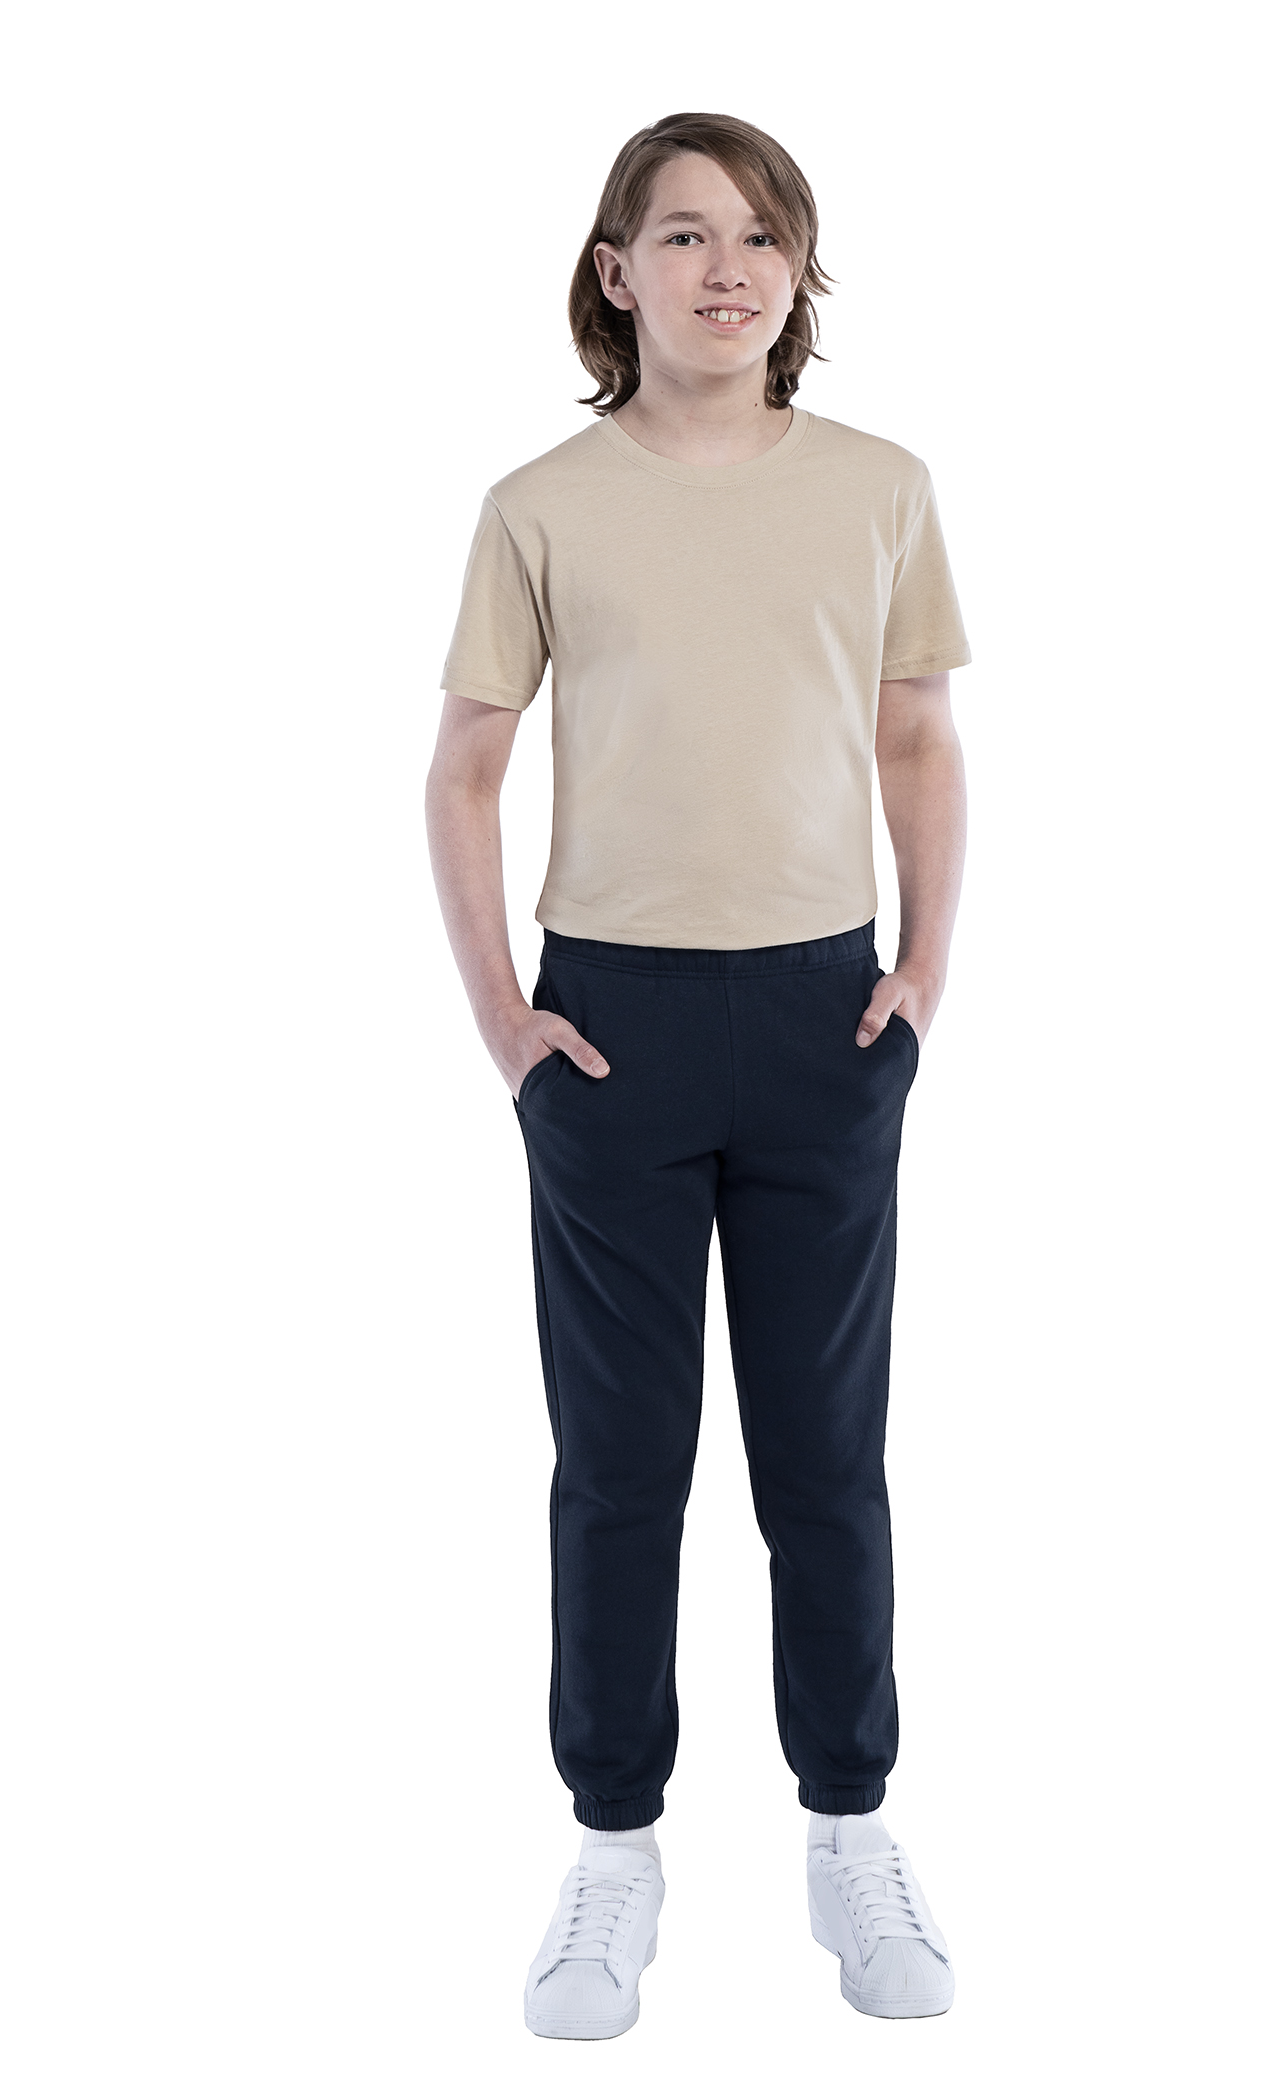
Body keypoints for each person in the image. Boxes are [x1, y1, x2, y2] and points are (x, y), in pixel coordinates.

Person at [425, 111, 970, 2039]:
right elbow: (467, 768)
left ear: (795, 276)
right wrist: (509, 1026)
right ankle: (613, 1847)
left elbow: (916, 739)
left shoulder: (880, 487)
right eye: (680, 234)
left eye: (758, 236)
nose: (723, 267)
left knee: (825, 1457)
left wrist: (922, 977)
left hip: (827, 1018)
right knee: (619, 1465)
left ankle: (850, 1827)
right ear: (616, 273)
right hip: (613, 1029)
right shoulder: (541, 505)